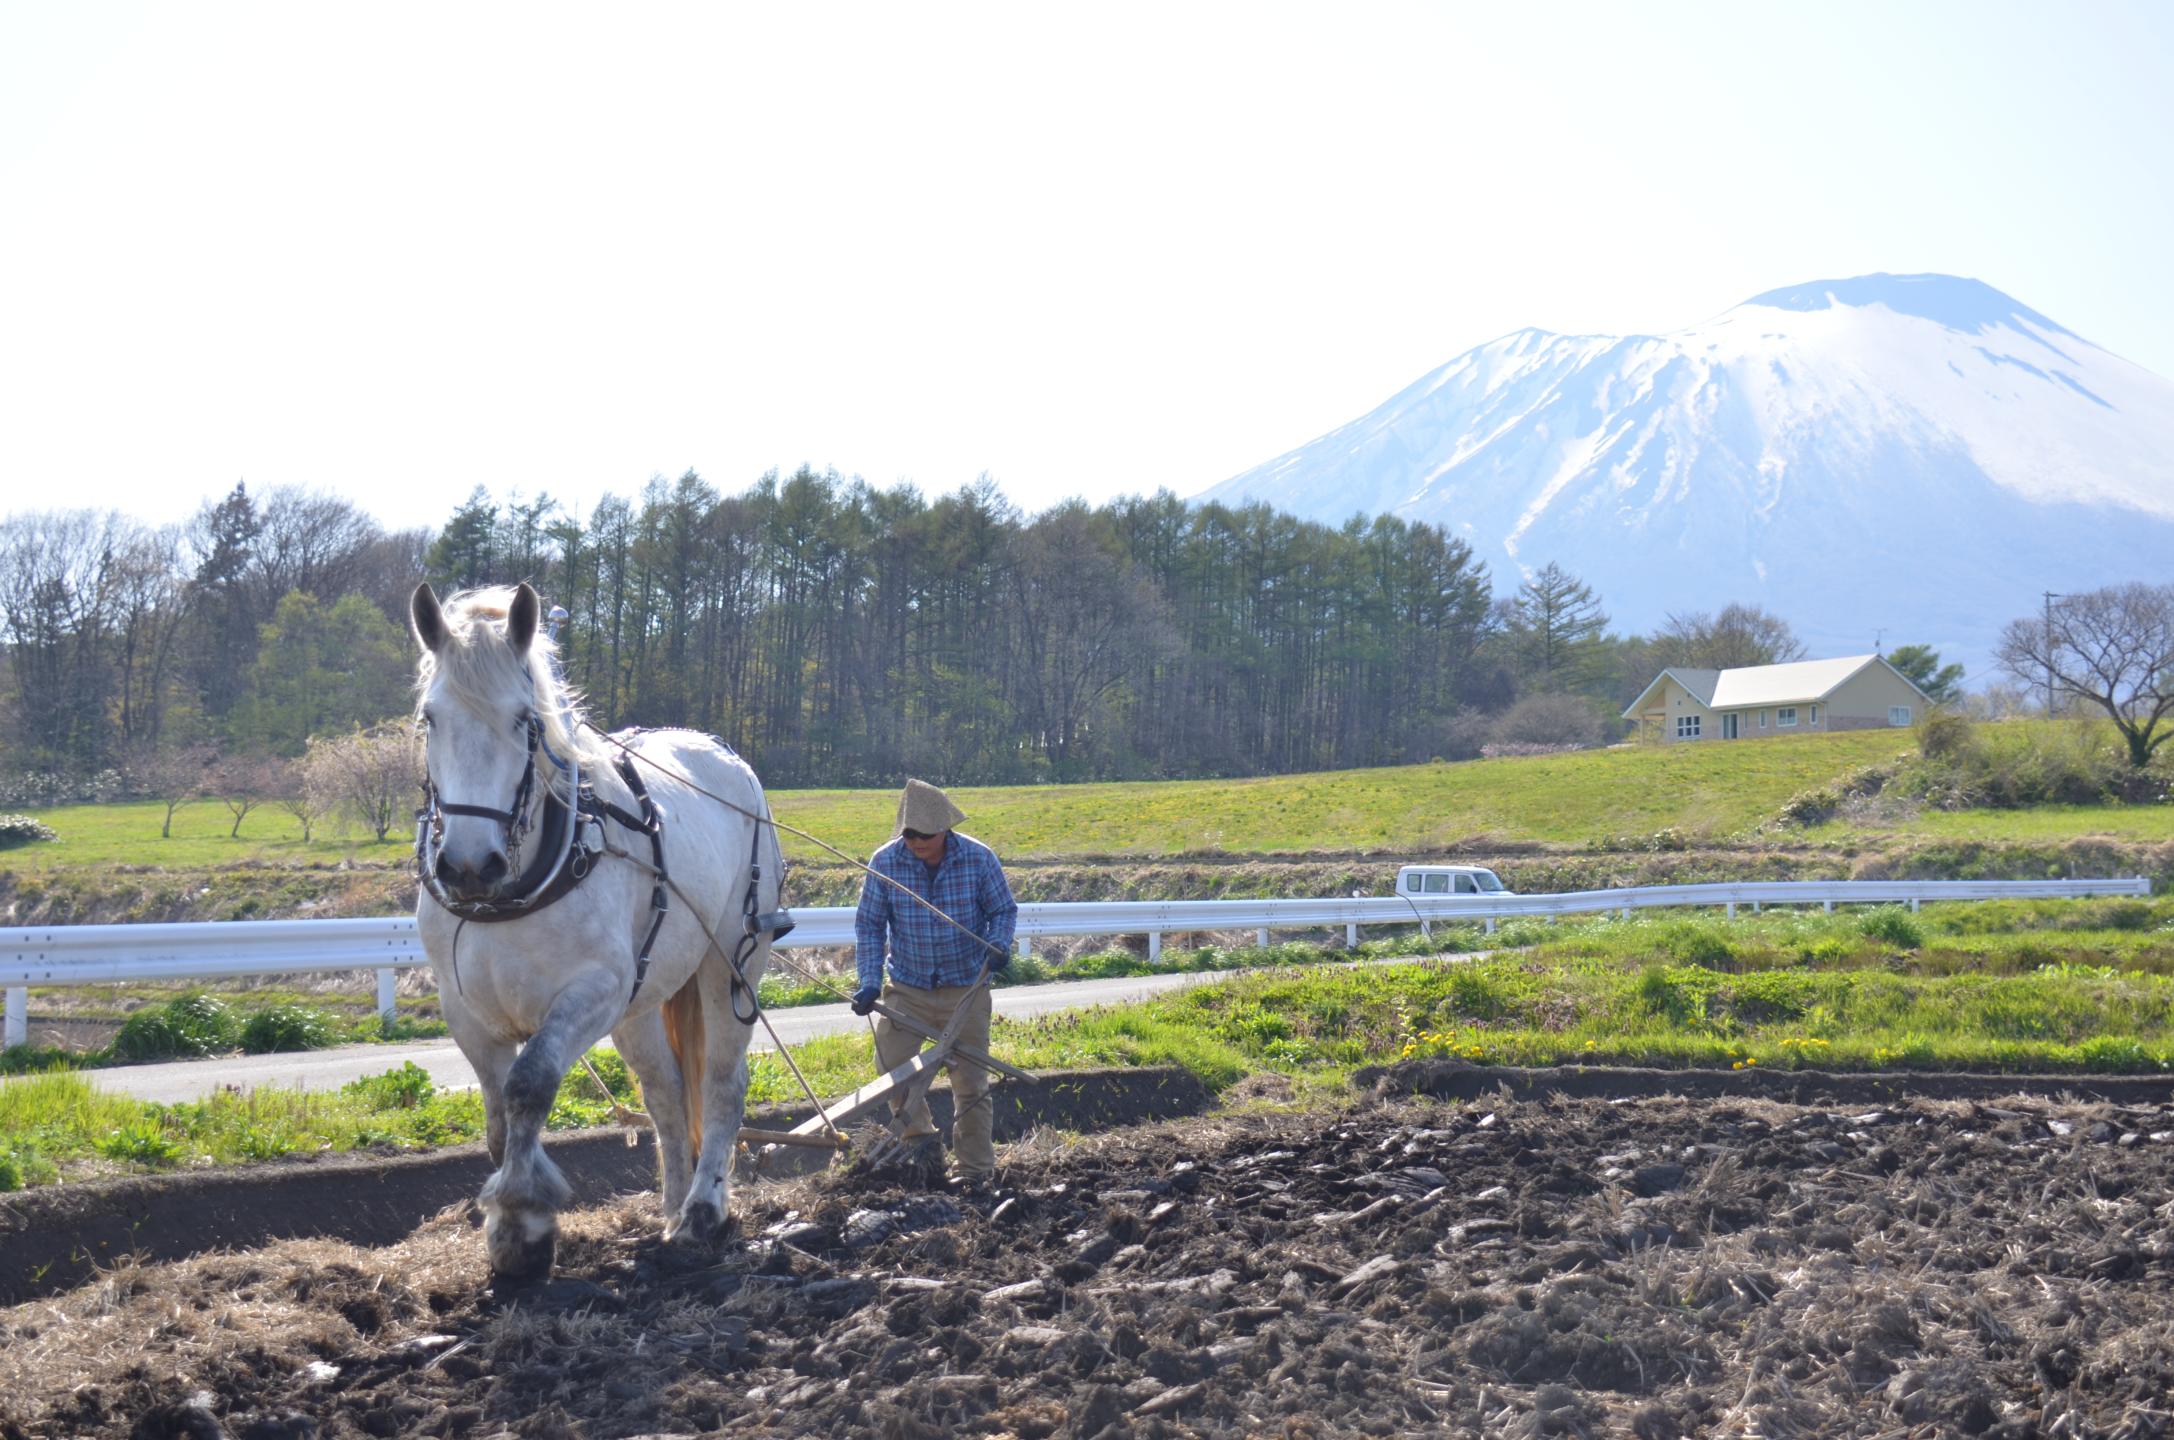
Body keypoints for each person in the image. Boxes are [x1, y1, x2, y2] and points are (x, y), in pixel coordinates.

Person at [851, 778, 1017, 1181]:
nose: (916, 841)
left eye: (924, 834)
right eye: (909, 834)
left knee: (971, 1085)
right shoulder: (885, 862)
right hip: (908, 987)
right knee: (893, 1070)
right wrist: (870, 981)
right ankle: (922, 1146)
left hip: (966, 987)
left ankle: (976, 1172)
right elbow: (871, 926)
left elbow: (1004, 911)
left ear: (945, 829)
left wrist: (997, 945)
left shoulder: (979, 859)